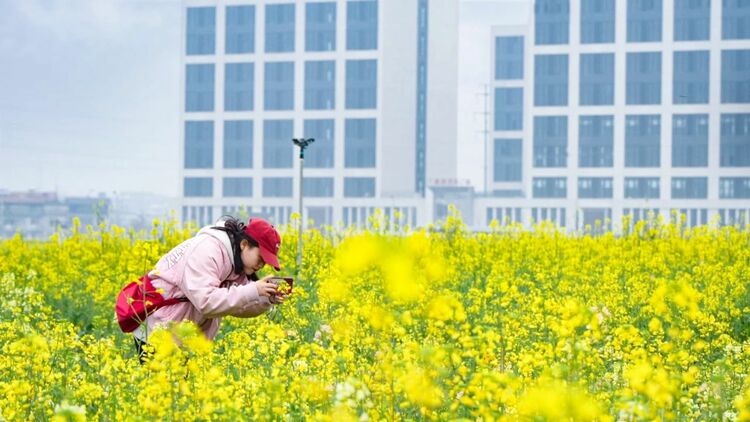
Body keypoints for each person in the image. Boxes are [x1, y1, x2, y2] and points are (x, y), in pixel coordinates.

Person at [133, 216, 285, 361]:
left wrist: (266, 298)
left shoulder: (238, 263)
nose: (261, 265)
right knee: (162, 387)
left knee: (180, 387)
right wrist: (254, 290)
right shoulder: (208, 251)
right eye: (261, 258)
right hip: (157, 330)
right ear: (244, 244)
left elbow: (236, 304)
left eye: (265, 262)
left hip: (183, 335)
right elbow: (207, 302)